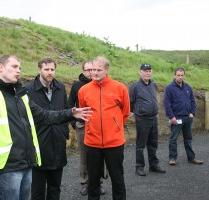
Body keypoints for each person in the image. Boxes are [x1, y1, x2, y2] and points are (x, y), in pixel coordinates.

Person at [0, 55, 92, 200]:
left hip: (26, 162)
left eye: (20, 68)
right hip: (7, 164)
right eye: (14, 67)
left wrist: (70, 112)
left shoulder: (21, 95)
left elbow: (44, 116)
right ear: (1, 67)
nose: (18, 71)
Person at [78, 56, 130, 200]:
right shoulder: (84, 90)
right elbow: (84, 111)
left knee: (117, 179)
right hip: (92, 142)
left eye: (98, 70)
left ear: (107, 70)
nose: (94, 73)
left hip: (114, 143)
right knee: (93, 181)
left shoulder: (120, 88)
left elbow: (125, 113)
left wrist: (114, 126)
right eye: (93, 69)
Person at [24, 57, 69, 200]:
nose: (50, 72)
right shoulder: (28, 89)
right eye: (46, 69)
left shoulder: (60, 87)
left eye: (52, 69)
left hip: (58, 143)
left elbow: (65, 111)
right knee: (37, 190)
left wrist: (63, 132)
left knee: (55, 188)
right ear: (39, 70)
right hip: (38, 143)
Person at [68, 61, 106, 196]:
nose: (91, 72)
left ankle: (98, 183)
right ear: (83, 71)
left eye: (93, 69)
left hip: (98, 127)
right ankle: (84, 183)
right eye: (88, 70)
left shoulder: (101, 85)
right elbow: (69, 105)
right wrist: (74, 122)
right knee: (84, 157)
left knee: (98, 156)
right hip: (83, 126)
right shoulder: (77, 86)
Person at [129, 64, 166, 176]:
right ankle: (139, 167)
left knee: (153, 143)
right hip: (142, 119)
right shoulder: (135, 86)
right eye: (145, 71)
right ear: (140, 72)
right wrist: (136, 112)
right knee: (141, 145)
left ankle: (154, 165)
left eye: (149, 71)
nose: (148, 73)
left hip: (153, 118)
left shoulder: (153, 84)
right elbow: (130, 102)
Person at [163, 67, 203, 166]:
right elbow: (167, 104)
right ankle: (172, 158)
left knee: (188, 139)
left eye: (182, 75)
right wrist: (171, 117)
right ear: (174, 75)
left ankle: (191, 158)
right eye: (178, 75)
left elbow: (193, 101)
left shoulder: (188, 87)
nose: (180, 77)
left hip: (187, 118)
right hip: (176, 118)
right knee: (173, 139)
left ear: (184, 75)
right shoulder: (169, 88)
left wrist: (192, 113)